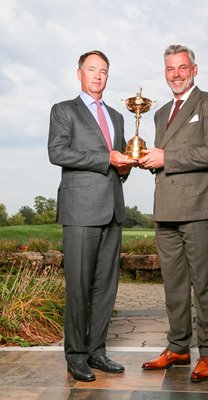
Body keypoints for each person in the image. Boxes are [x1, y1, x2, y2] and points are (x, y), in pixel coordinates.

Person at [138, 44, 208, 382]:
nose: (175, 74)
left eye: (181, 67)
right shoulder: (161, 113)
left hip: (199, 208)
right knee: (174, 284)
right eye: (169, 69)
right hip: (165, 209)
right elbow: (162, 156)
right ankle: (178, 347)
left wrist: (166, 159)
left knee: (204, 284)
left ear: (194, 69)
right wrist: (144, 160)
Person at [48, 50, 136, 382]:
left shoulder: (116, 116)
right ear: (79, 73)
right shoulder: (63, 110)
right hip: (80, 210)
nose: (98, 75)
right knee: (80, 287)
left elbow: (120, 160)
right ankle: (76, 355)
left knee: (105, 287)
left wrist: (125, 166)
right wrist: (106, 158)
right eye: (92, 69)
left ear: (107, 77)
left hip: (112, 208)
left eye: (103, 71)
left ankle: (97, 351)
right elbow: (57, 151)